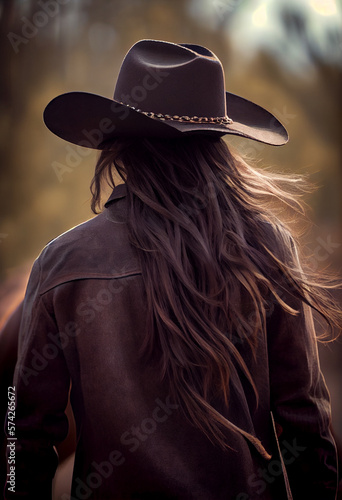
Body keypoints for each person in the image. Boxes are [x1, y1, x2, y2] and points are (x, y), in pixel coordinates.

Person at [4, 39, 342, 500]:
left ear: (117, 145)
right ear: (218, 144)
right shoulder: (269, 247)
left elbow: (20, 433)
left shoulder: (63, 261)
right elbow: (307, 426)